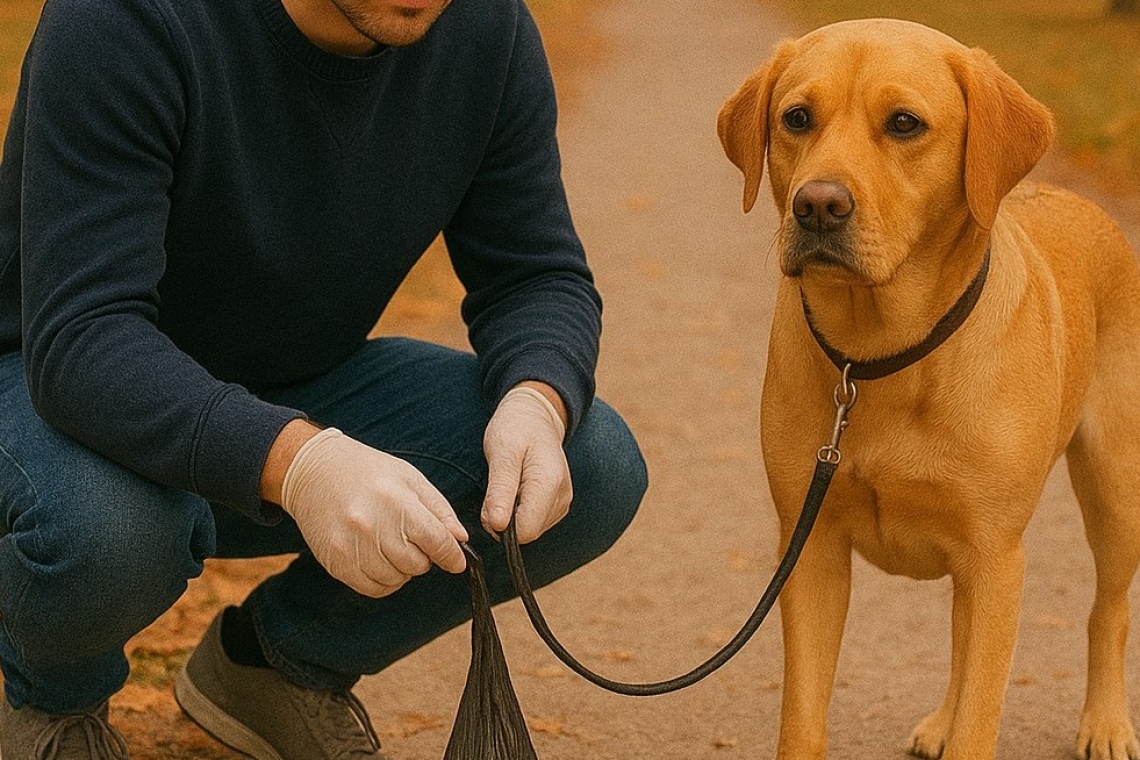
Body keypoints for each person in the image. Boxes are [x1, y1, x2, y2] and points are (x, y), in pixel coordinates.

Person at [0, 0, 648, 756]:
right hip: (48, 395)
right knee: (114, 530)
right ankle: (55, 700)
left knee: (591, 461)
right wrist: (299, 462)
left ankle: (273, 663)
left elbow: (535, 274)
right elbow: (82, 338)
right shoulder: (123, 19)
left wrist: (535, 398)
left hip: (293, 387)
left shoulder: (488, 30)